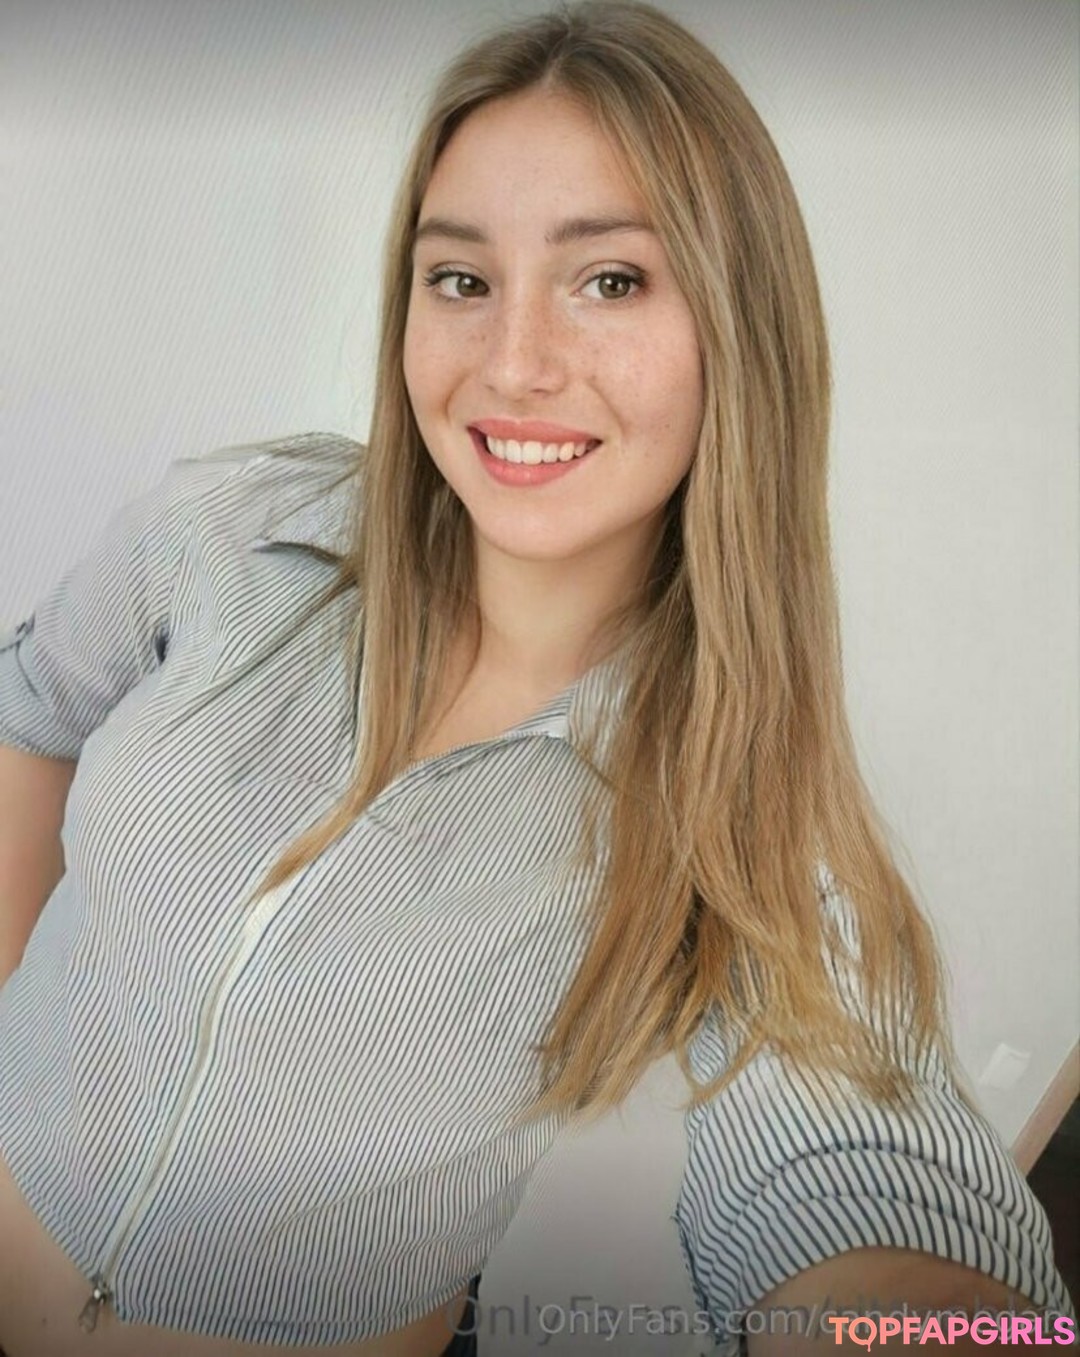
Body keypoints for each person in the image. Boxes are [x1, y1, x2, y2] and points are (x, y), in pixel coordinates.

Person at [0, 2, 1073, 1354]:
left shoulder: (730, 804)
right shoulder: (234, 528)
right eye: (461, 279)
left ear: (738, 329)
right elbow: (32, 708)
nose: (512, 364)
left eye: (610, 280)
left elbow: (860, 1166)